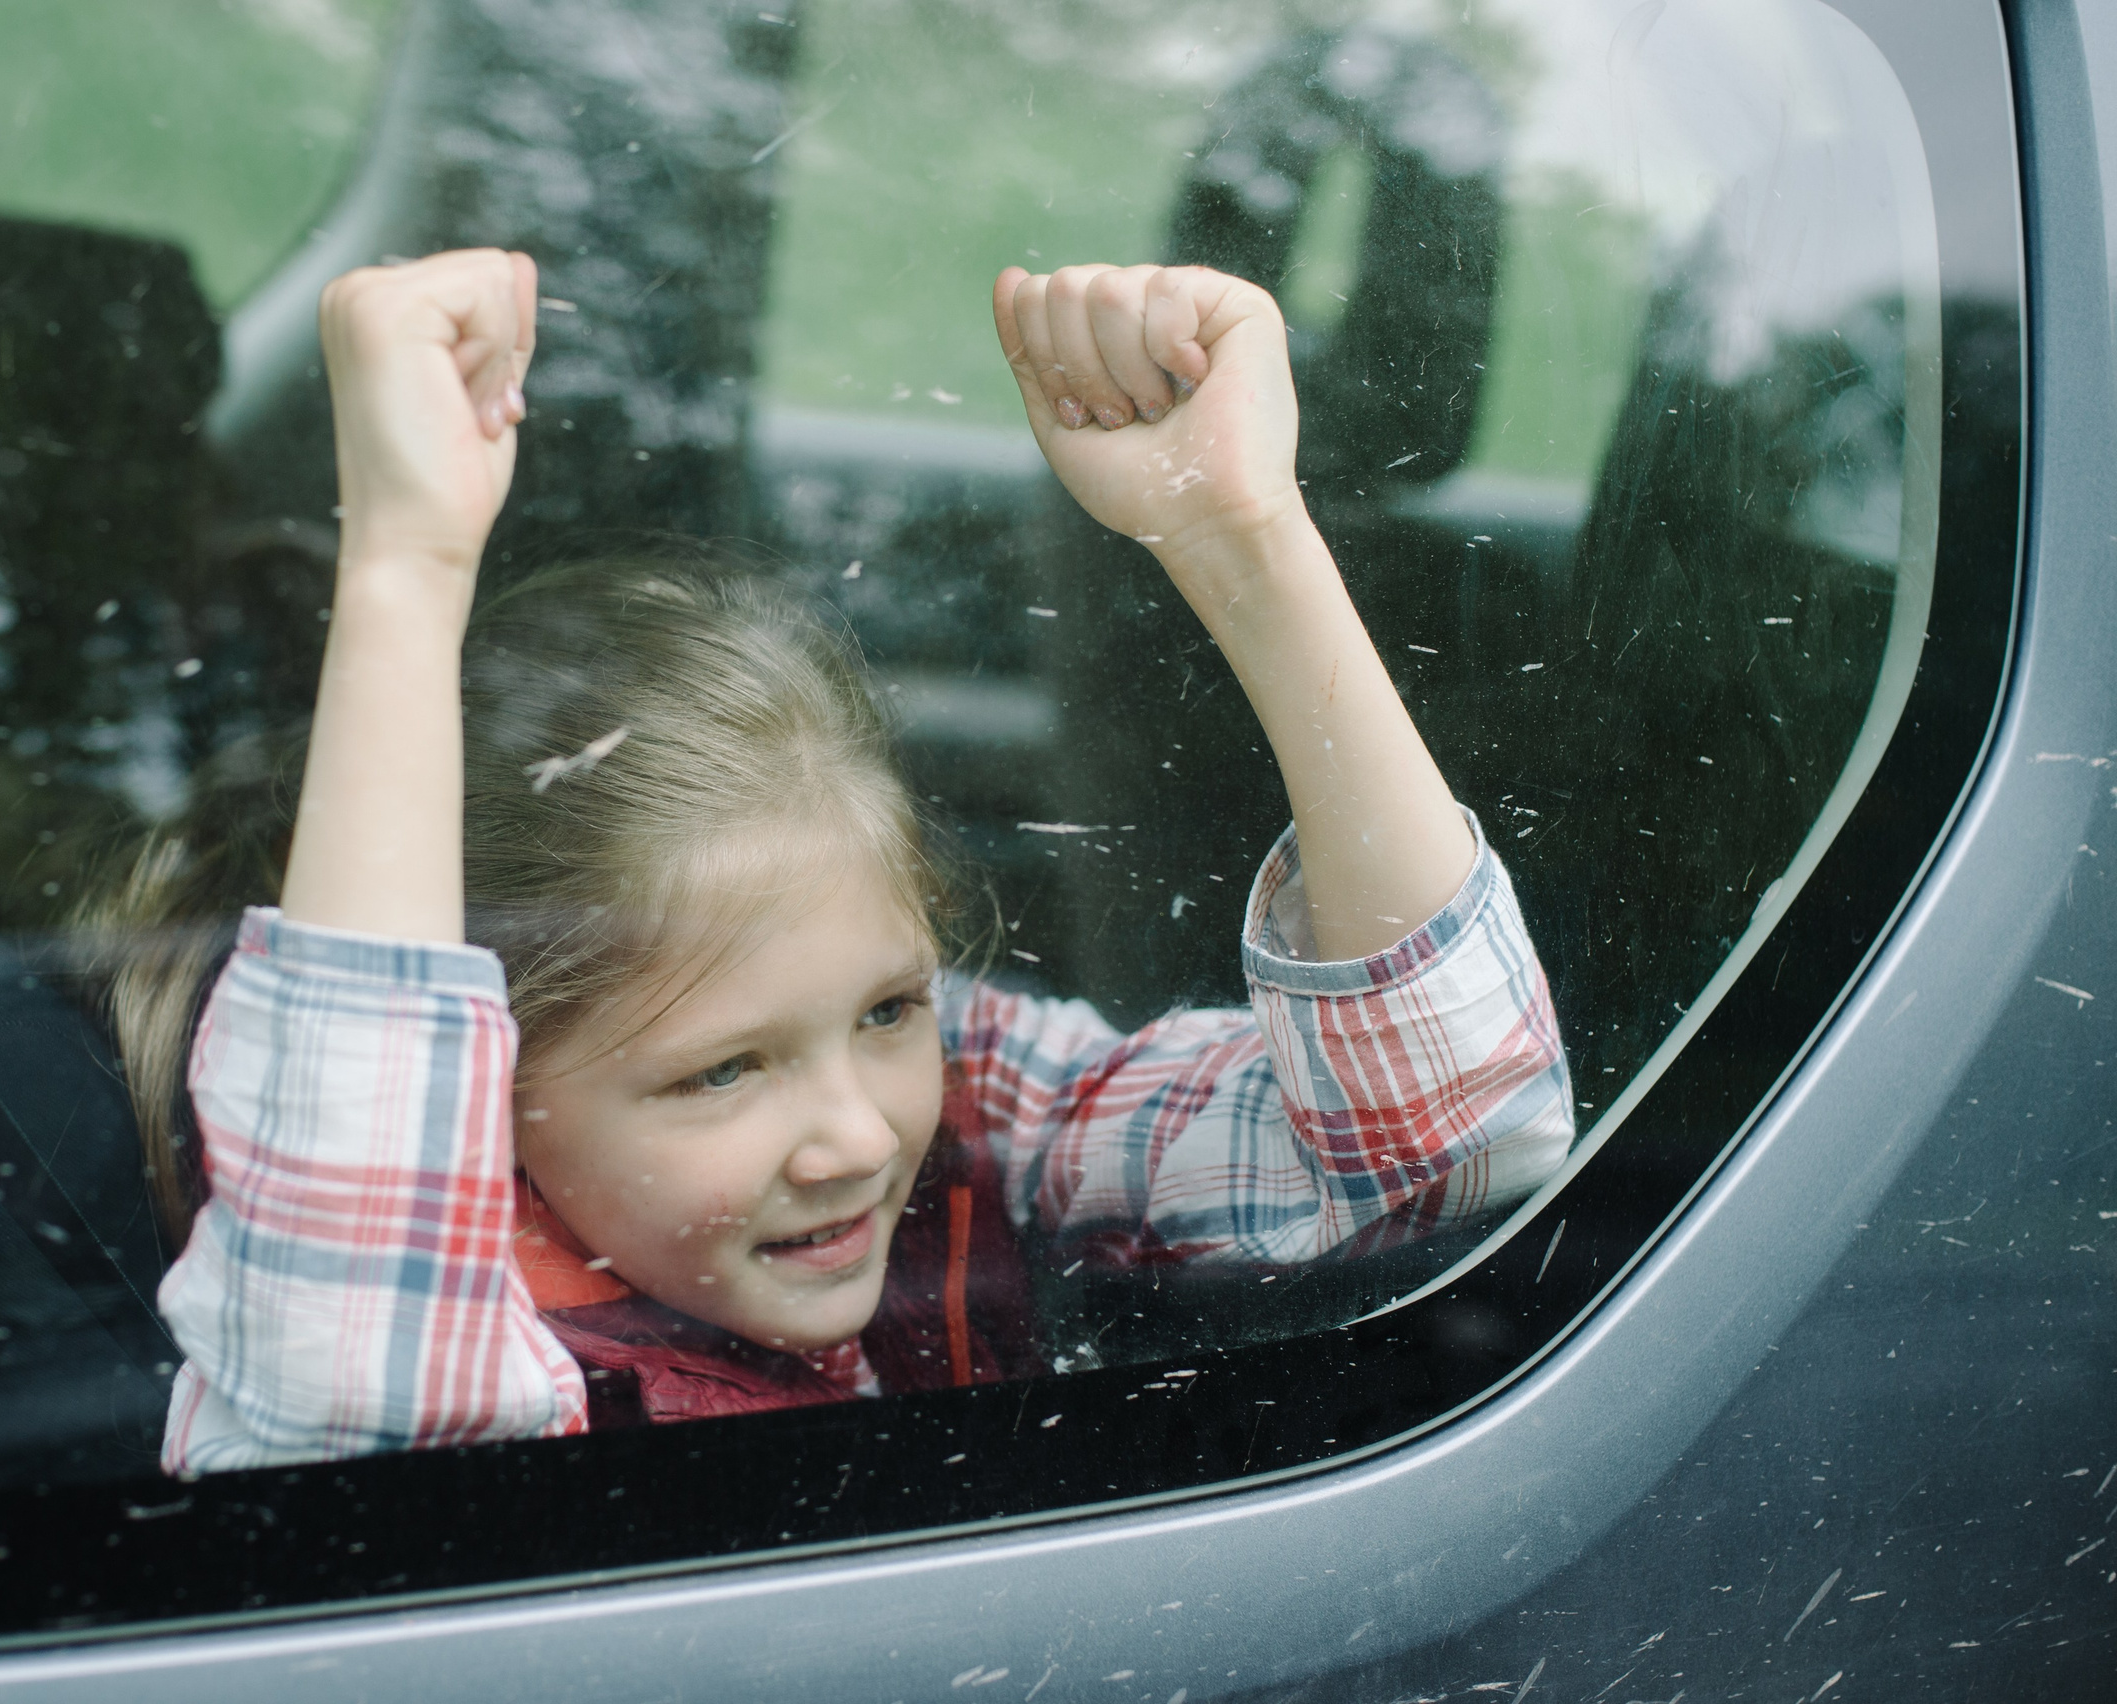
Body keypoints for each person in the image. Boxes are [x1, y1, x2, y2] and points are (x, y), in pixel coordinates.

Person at [104, 249, 1573, 1472]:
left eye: (885, 1010)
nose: (861, 1136)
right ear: (487, 1088)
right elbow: (359, 1333)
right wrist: (407, 576)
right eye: (719, 1073)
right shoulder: (441, 1360)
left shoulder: (964, 1120)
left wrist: (1244, 538)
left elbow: (1442, 1148)